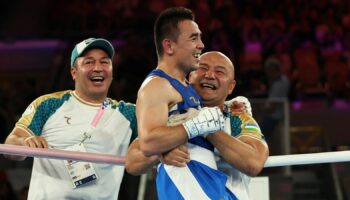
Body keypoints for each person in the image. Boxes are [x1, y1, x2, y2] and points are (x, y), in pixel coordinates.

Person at [4, 38, 137, 200]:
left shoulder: (129, 114)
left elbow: (160, 135)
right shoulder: (48, 104)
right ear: (74, 72)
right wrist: (25, 143)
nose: (98, 68)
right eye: (89, 62)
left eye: (104, 62)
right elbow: (11, 145)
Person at [126, 51, 269, 199]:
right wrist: (160, 153)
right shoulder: (174, 117)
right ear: (189, 77)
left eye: (219, 71)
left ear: (231, 86)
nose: (210, 75)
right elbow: (132, 162)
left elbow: (254, 162)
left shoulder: (237, 117)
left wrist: (206, 127)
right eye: (203, 68)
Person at [135, 7, 234, 199]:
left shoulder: (185, 86)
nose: (201, 45)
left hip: (205, 186)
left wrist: (229, 105)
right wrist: (194, 126)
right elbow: (148, 143)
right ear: (169, 46)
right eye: (193, 38)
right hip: (185, 189)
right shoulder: (157, 86)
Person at [260, 57, 290, 148]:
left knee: (260, 137)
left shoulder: (279, 83)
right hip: (278, 116)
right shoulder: (284, 79)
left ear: (272, 70)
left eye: (268, 71)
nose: (267, 73)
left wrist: (260, 110)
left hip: (273, 117)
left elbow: (272, 106)